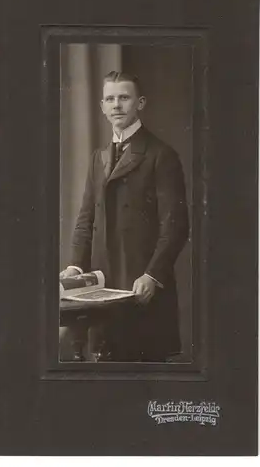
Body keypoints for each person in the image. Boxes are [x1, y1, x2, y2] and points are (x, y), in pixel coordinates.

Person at [60, 71, 189, 362]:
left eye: (124, 97)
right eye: (110, 99)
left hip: (141, 285)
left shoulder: (161, 155)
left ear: (140, 102)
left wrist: (153, 275)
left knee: (142, 374)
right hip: (102, 285)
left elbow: (176, 226)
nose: (116, 104)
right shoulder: (99, 157)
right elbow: (85, 220)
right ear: (102, 107)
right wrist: (75, 268)